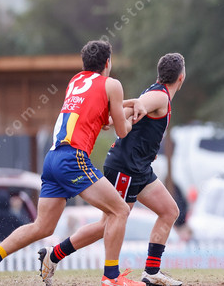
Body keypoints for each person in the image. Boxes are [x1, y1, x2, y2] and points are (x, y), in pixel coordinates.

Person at [0, 40, 147, 286]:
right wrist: (134, 115)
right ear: (108, 62)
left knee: (43, 226)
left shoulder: (76, 81)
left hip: (53, 158)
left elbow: (102, 116)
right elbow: (120, 130)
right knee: (120, 210)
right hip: (73, 159)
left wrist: (131, 104)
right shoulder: (112, 84)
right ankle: (111, 276)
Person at [38, 53, 186, 286]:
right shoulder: (159, 96)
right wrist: (125, 114)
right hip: (125, 167)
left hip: (139, 167)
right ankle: (57, 255)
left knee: (169, 211)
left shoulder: (160, 94)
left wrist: (144, 144)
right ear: (181, 77)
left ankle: (151, 272)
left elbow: (133, 117)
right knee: (107, 223)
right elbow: (139, 105)